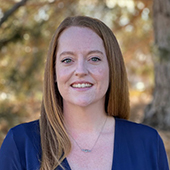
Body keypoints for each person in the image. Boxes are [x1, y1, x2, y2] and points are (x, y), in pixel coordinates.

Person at [0, 16, 169, 170]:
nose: (80, 70)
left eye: (94, 58)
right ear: (54, 73)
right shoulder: (21, 144)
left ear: (112, 69)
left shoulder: (148, 144)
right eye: (67, 60)